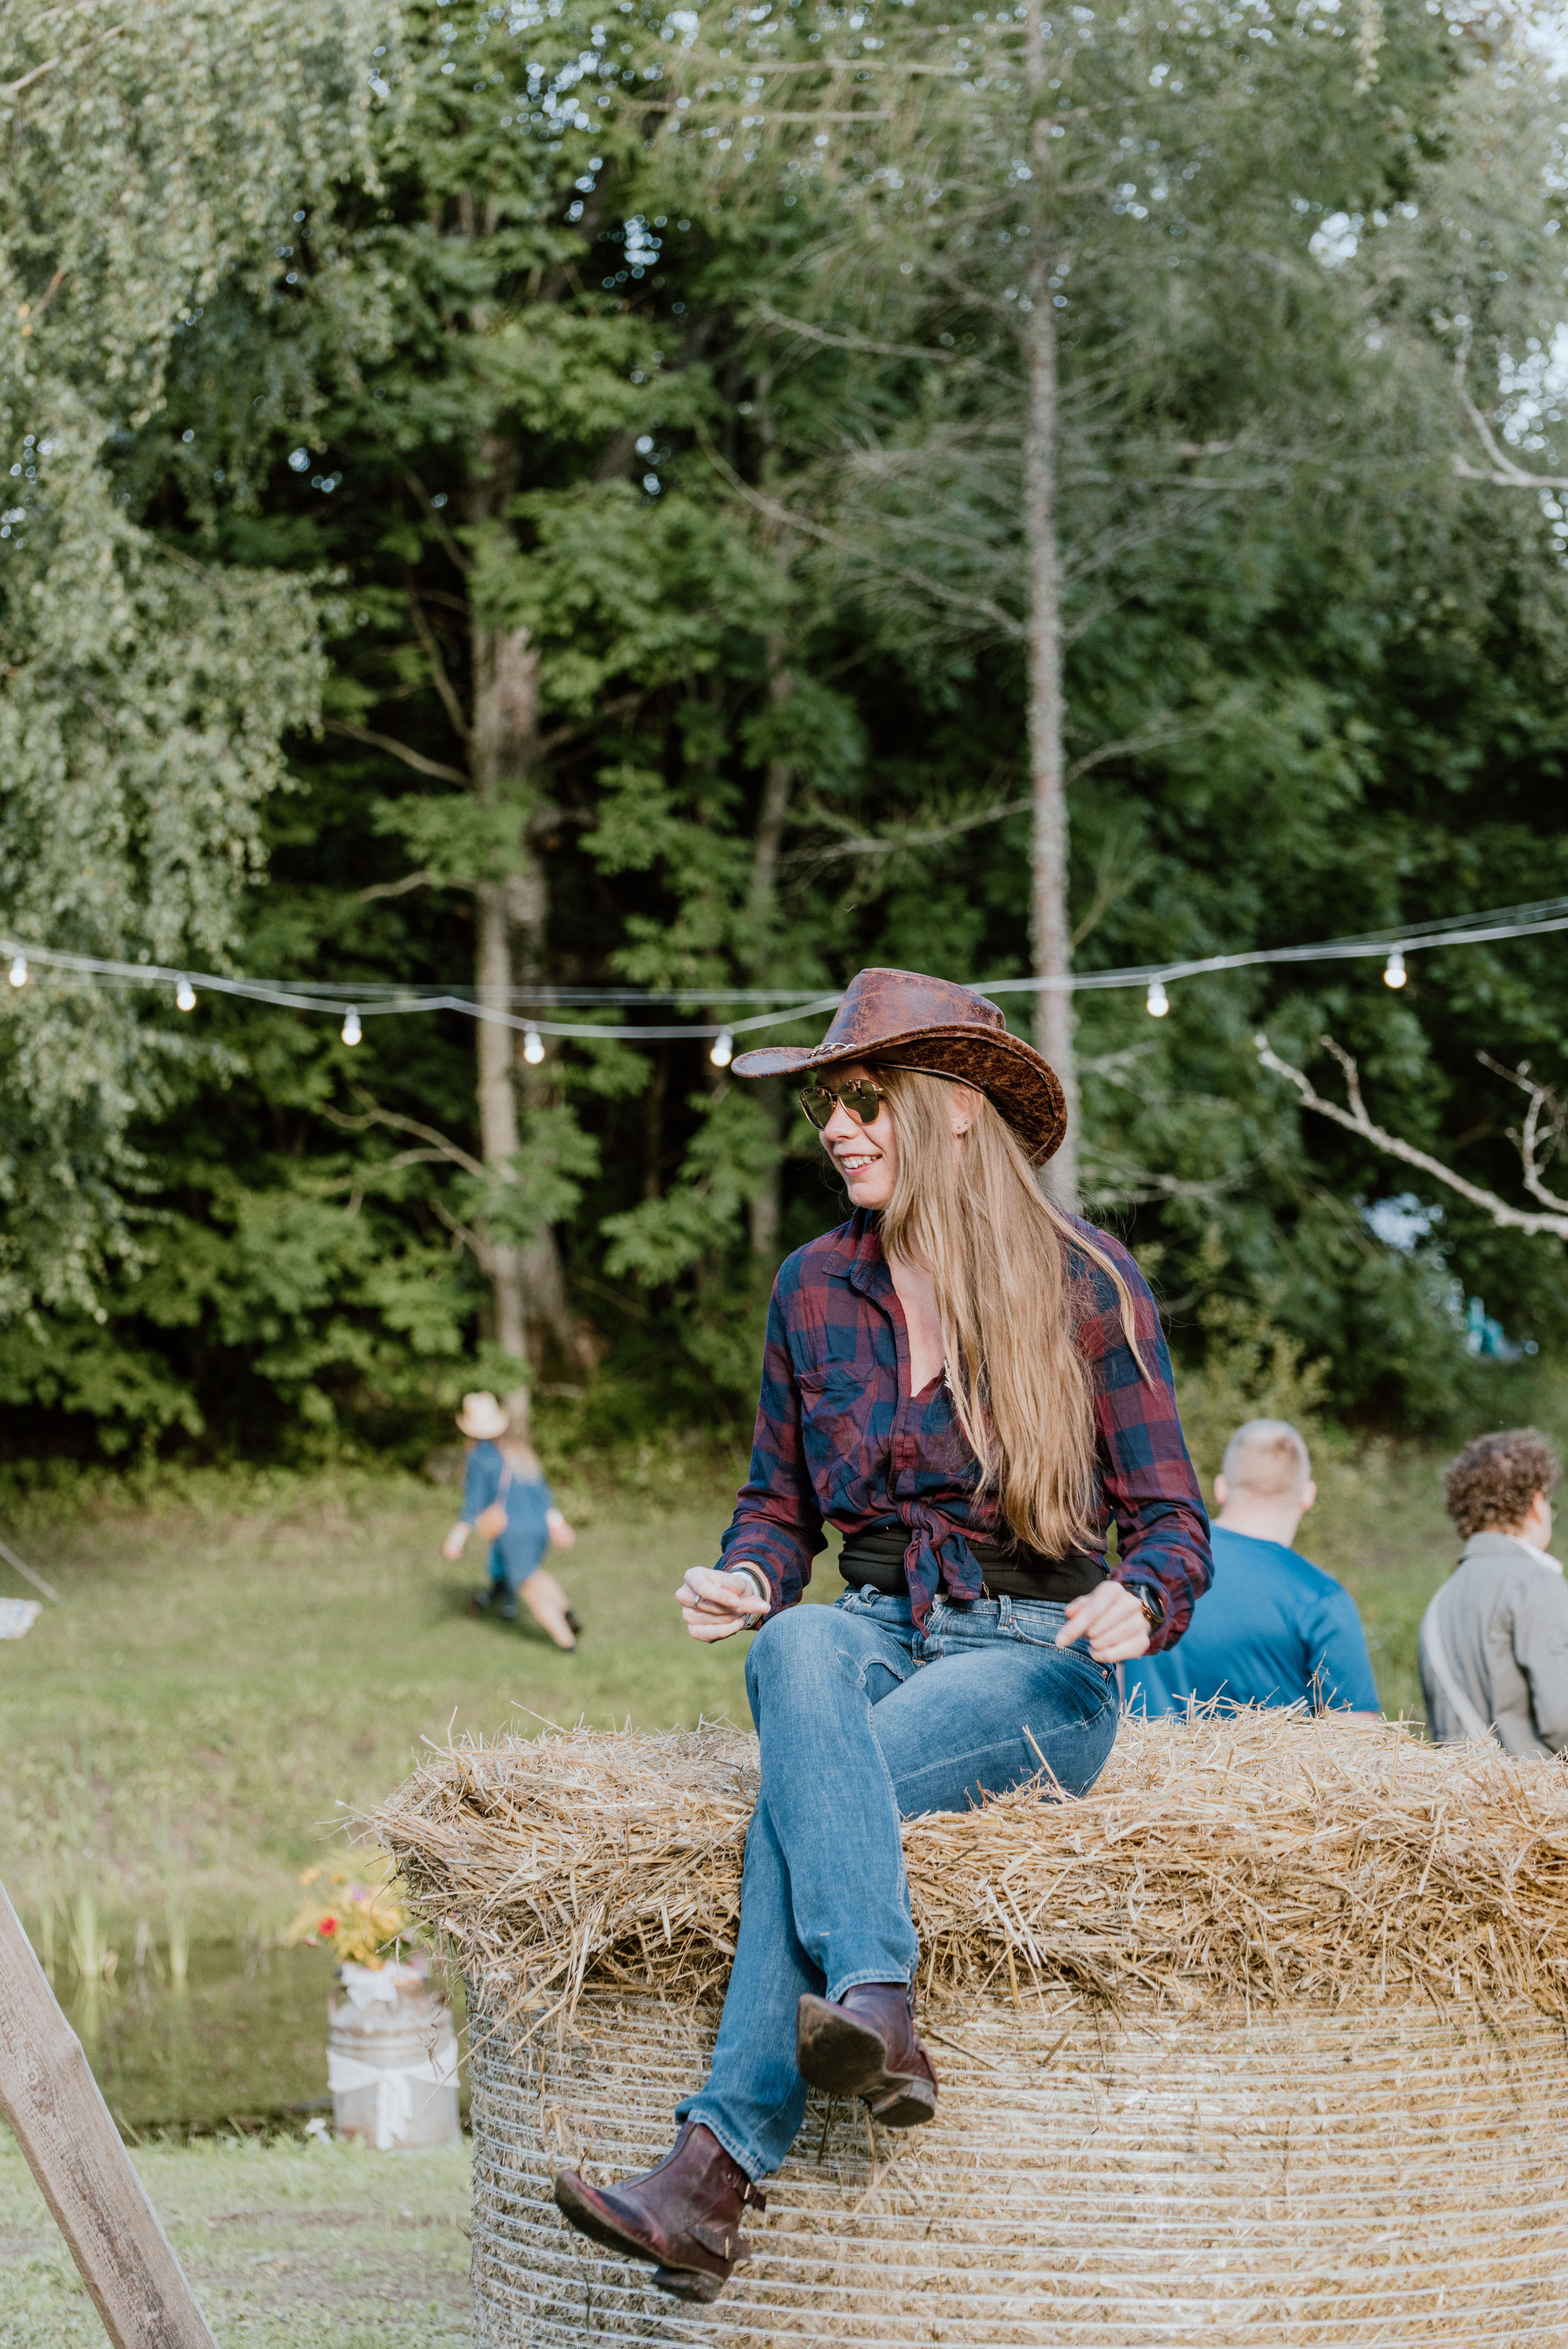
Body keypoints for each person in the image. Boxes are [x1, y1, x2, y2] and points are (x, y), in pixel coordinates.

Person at [553, 967, 1211, 2303]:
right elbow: (774, 1507)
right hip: (867, 1625)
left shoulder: (1083, 1280)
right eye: (824, 1108)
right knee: (788, 1655)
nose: (837, 1127)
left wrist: (1140, 1597)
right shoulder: (810, 1288)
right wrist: (747, 1576)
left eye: (865, 1099)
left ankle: (711, 2170)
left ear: (955, 1111)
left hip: (1037, 1661)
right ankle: (878, 2003)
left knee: (804, 1798)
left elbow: (1173, 1523)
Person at [1123, 1417, 1379, 1721]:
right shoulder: (1321, 1599)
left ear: (1221, 1488)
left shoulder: (1149, 1572)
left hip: (1139, 1765)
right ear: (1308, 1496)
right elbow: (1358, 1740)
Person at [1419, 1426, 1568, 1754]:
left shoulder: (1440, 1602)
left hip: (1457, 1802)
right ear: (1536, 1503)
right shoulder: (1535, 1583)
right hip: (1534, 1803)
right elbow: (1563, 1720)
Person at [442, 1390, 580, 1652]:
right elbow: (541, 1493)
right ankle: (568, 1613)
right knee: (535, 1573)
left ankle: (566, 1643)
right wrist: (559, 1524)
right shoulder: (519, 1451)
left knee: (527, 1586)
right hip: (540, 1525)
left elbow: (474, 1503)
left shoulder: (479, 1458)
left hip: (513, 1530)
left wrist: (455, 1538)